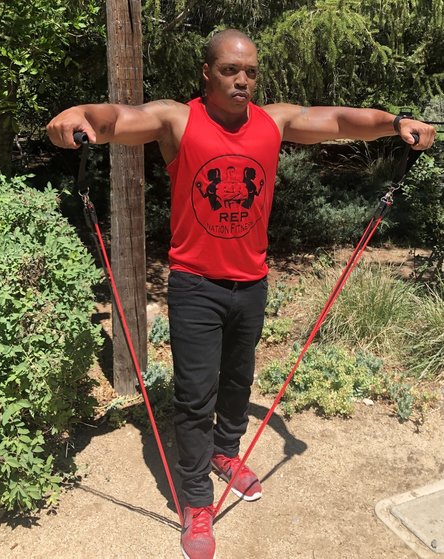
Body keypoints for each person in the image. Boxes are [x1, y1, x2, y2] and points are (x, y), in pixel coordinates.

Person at [47, 28, 436, 559]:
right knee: (194, 396)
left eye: (250, 71)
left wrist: (395, 122)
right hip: (195, 285)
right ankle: (196, 501)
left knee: (237, 380)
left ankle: (225, 453)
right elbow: (117, 118)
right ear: (207, 73)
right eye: (231, 70)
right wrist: (80, 116)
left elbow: (339, 121)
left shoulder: (274, 121)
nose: (242, 81)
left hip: (251, 282)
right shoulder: (177, 119)